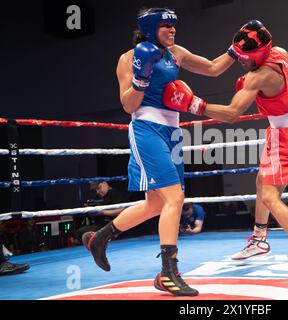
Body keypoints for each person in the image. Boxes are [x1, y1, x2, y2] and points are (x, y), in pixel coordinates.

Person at [82, 7, 234, 297]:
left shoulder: (176, 52)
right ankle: (168, 273)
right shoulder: (128, 59)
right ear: (151, 28)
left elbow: (213, 68)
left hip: (172, 132)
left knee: (155, 204)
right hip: (146, 129)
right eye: (166, 26)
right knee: (175, 198)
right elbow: (128, 104)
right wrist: (141, 77)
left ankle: (98, 238)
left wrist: (236, 50)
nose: (172, 30)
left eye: (174, 26)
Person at [163, 20, 288, 277]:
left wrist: (194, 105)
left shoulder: (258, 76)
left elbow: (231, 114)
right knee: (262, 182)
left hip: (287, 134)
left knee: (271, 196)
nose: (240, 61)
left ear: (258, 55)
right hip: (283, 127)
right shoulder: (280, 52)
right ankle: (259, 240)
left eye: (244, 58)